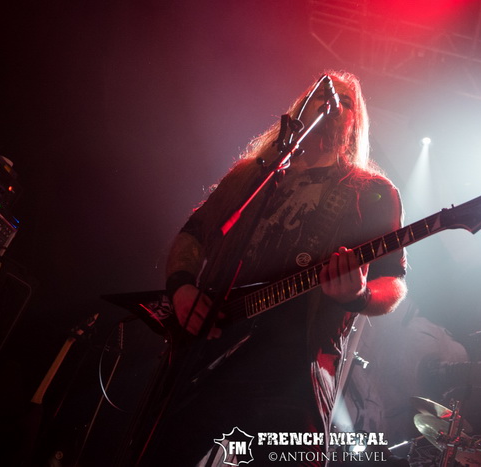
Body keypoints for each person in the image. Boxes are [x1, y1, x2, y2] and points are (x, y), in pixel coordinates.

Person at [139, 71, 407, 466]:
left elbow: (393, 281)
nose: (332, 104)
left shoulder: (371, 191)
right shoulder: (251, 176)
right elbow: (193, 236)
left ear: (355, 122)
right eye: (322, 95)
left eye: (346, 101)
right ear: (301, 109)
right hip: (208, 350)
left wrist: (360, 295)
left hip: (294, 371)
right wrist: (181, 287)